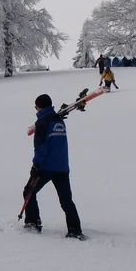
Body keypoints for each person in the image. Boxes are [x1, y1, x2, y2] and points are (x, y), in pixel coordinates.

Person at [22, 94, 85, 240]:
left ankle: (33, 223)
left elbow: (41, 146)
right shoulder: (59, 121)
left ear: (39, 107)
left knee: (29, 192)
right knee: (66, 199)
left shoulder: (42, 122)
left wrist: (36, 164)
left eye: (35, 106)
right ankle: (75, 230)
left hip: (45, 167)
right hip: (62, 167)